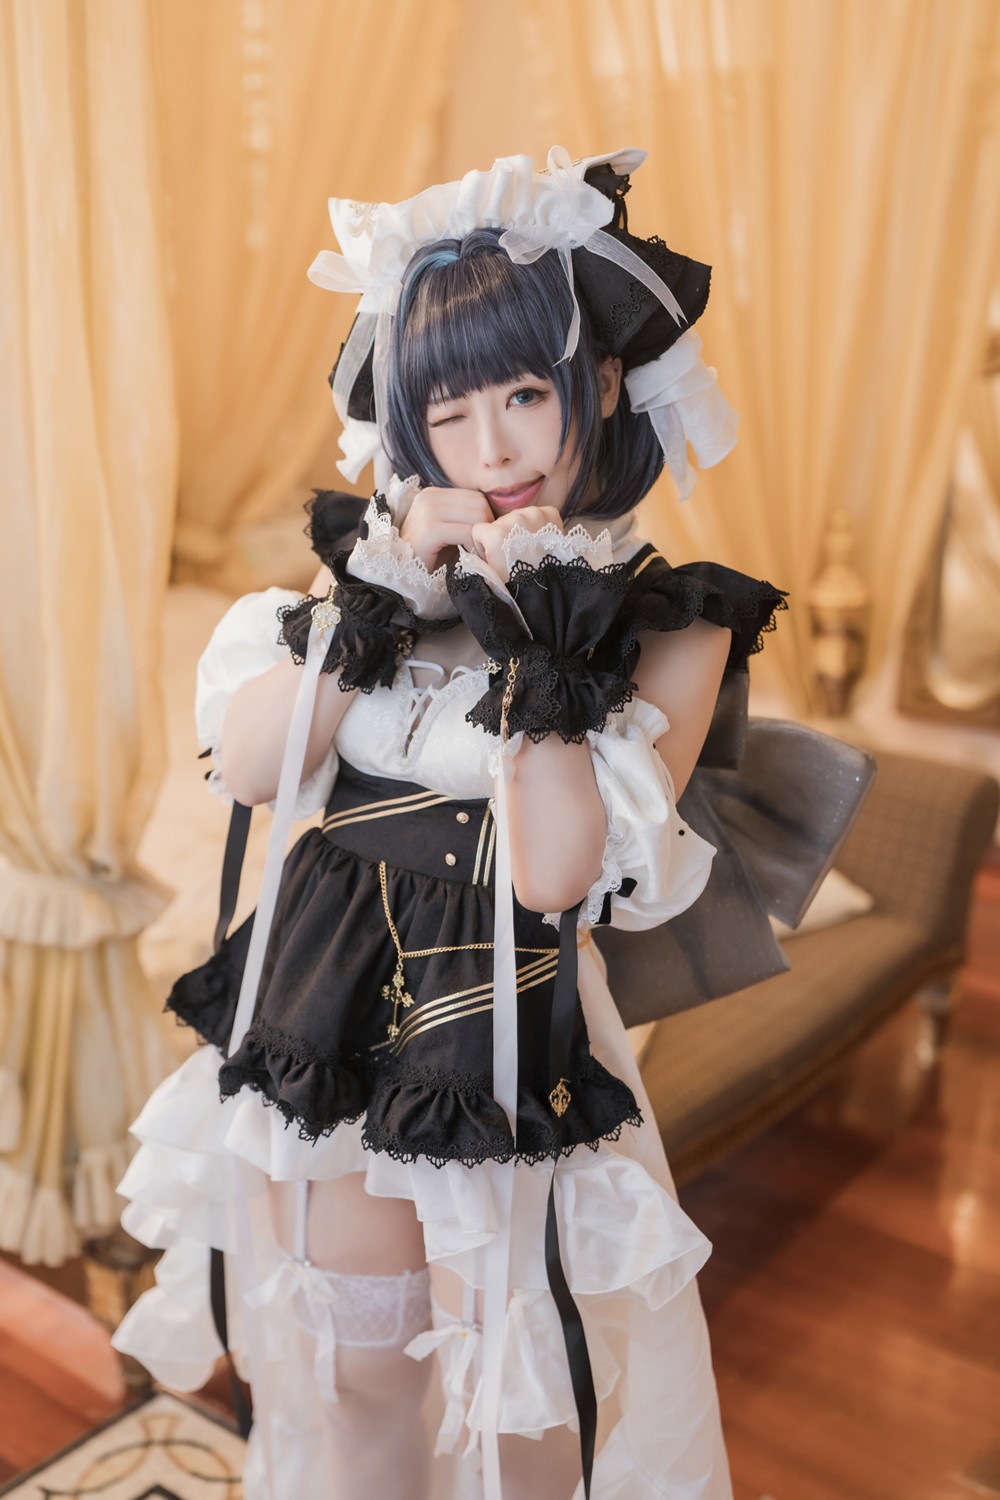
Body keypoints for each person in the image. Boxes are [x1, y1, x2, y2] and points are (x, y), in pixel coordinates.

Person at [114, 147, 833, 1500]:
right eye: (449, 411)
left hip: (507, 1032)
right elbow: (253, 767)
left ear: (599, 386)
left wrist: (541, 636)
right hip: (324, 1009)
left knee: (522, 1414)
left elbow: (559, 871)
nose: (492, 448)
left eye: (524, 394)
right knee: (361, 1389)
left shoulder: (673, 619)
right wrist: (380, 595)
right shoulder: (381, 573)